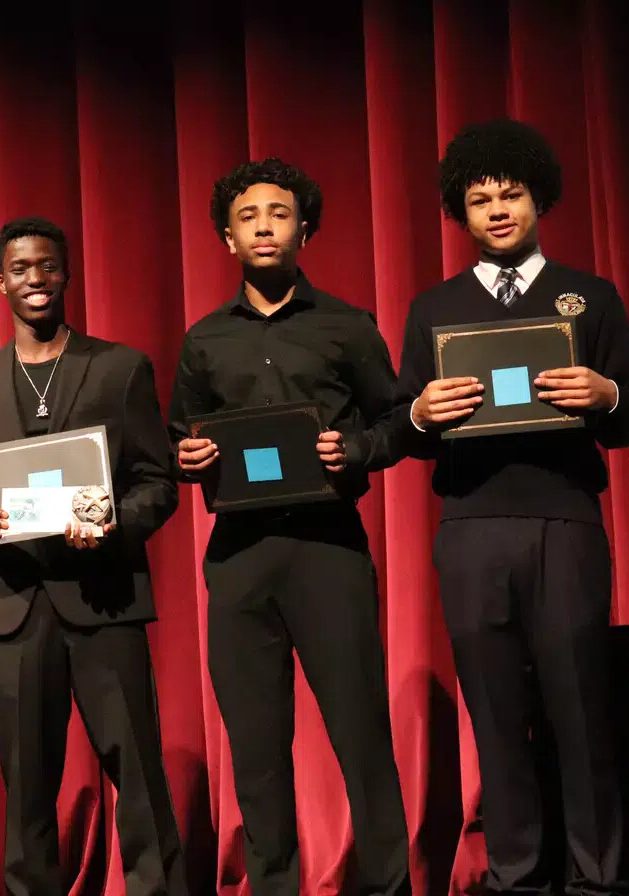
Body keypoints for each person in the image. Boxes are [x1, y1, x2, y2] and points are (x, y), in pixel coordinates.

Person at [326, 119, 629, 895]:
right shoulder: (434, 307)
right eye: (479, 199)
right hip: (470, 527)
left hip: (565, 519)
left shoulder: (590, 297)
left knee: (580, 709)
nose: (497, 209)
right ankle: (516, 876)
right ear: (460, 213)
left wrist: (605, 394)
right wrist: (421, 414)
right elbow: (400, 428)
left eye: (511, 194)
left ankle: (598, 878)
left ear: (539, 198)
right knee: (496, 714)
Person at [168, 159, 410, 896]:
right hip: (240, 556)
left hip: (329, 548)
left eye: (279, 214)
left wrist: (357, 449)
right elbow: (180, 436)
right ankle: (274, 884)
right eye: (249, 216)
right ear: (226, 237)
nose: (264, 226)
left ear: (304, 229)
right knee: (257, 743)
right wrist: (189, 455)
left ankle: (388, 885)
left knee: (360, 731)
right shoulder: (205, 340)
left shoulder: (347, 325)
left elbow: (397, 420)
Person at [0, 217, 186, 896]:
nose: (35, 280)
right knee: (26, 789)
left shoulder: (119, 368)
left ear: (67, 275)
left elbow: (157, 484)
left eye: (48, 266)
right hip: (14, 609)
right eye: (20, 268)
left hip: (104, 597)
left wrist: (114, 522)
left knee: (137, 773)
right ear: (0, 281)